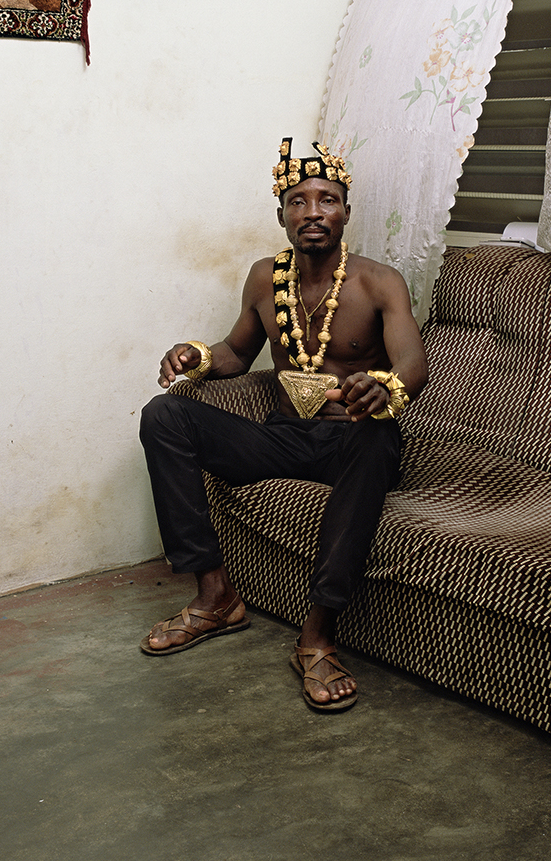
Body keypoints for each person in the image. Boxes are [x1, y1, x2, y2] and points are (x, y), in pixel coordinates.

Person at [140, 140, 428, 712]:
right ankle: (215, 595)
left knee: (376, 437)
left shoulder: (379, 282)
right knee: (164, 415)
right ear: (282, 216)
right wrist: (193, 356)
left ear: (346, 212)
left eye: (327, 200)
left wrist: (384, 387)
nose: (313, 211)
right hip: (283, 434)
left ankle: (317, 635)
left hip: (356, 438)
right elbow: (235, 354)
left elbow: (413, 364)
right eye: (298, 201)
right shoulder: (263, 278)